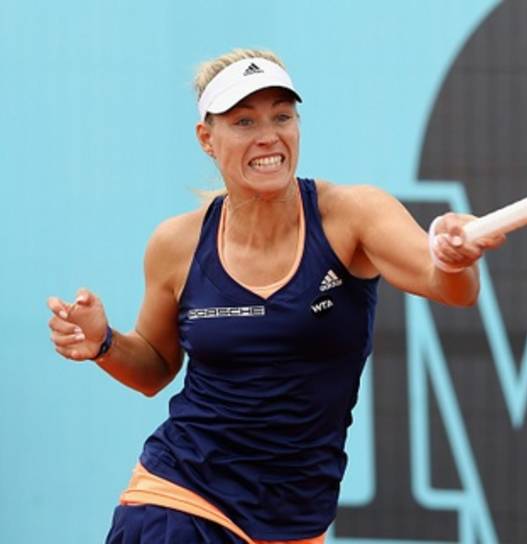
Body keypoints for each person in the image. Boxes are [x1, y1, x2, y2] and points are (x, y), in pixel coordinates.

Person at [46, 48, 503, 544]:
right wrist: (105, 344)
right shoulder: (175, 244)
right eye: (244, 121)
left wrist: (455, 260)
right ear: (206, 138)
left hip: (295, 525)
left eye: (281, 116)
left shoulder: (353, 215)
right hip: (182, 502)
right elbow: (155, 368)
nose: (268, 135)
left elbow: (450, 288)